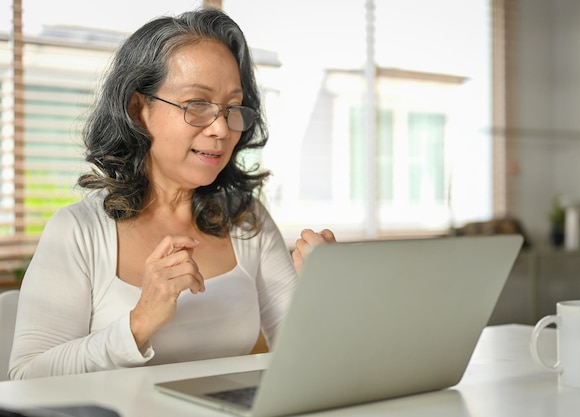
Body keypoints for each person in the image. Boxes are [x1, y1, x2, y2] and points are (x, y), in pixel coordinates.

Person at [8, 8, 335, 380]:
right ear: (137, 108)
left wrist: (319, 296)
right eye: (197, 104)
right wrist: (139, 323)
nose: (221, 129)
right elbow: (26, 378)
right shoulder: (77, 231)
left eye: (232, 108)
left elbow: (309, 361)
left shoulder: (247, 219)